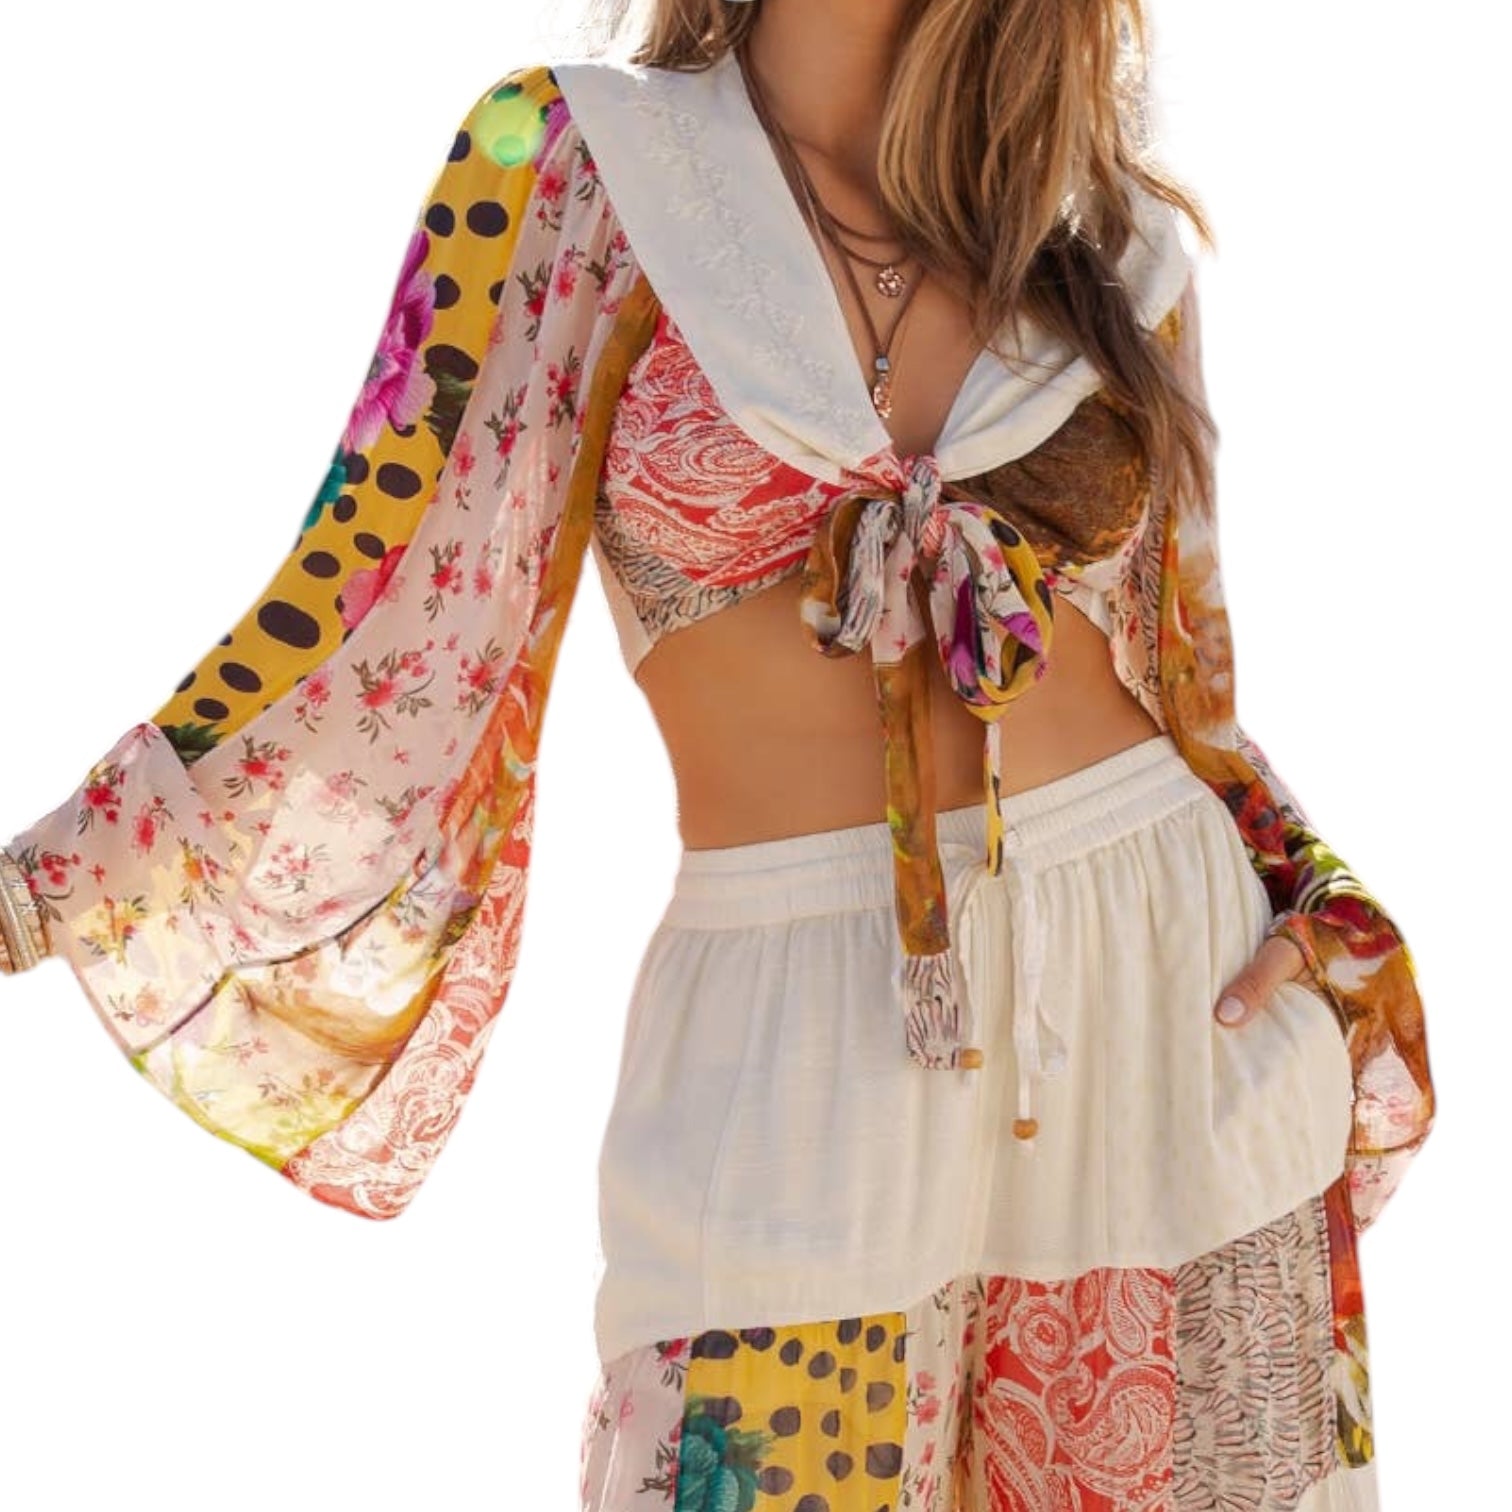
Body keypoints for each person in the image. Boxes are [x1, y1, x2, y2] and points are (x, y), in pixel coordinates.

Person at [0, 1, 1434, 1507]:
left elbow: (1189, 692)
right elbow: (369, 605)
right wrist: (33, 895)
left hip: (1169, 1007)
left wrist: (1323, 908)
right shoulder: (577, 165)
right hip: (791, 1030)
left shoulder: (1108, 246)